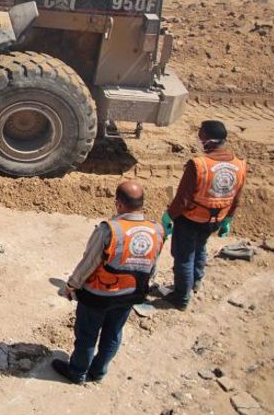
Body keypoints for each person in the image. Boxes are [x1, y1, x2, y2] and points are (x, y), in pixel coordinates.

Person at [52, 180, 164, 384]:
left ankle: (77, 372)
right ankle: (98, 371)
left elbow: (89, 262)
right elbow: (152, 263)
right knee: (113, 334)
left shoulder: (109, 230)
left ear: (119, 204)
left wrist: (72, 285)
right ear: (142, 204)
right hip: (130, 294)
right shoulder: (156, 230)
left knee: (87, 335)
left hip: (98, 295)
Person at [161, 120, 245, 310]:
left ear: (207, 139)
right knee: (200, 248)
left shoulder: (198, 165)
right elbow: (237, 198)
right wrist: (228, 220)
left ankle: (181, 297)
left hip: (192, 219)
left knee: (184, 257)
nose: (198, 138)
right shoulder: (239, 165)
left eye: (200, 135)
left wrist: (168, 217)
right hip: (215, 219)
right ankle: (196, 281)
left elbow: (183, 199)